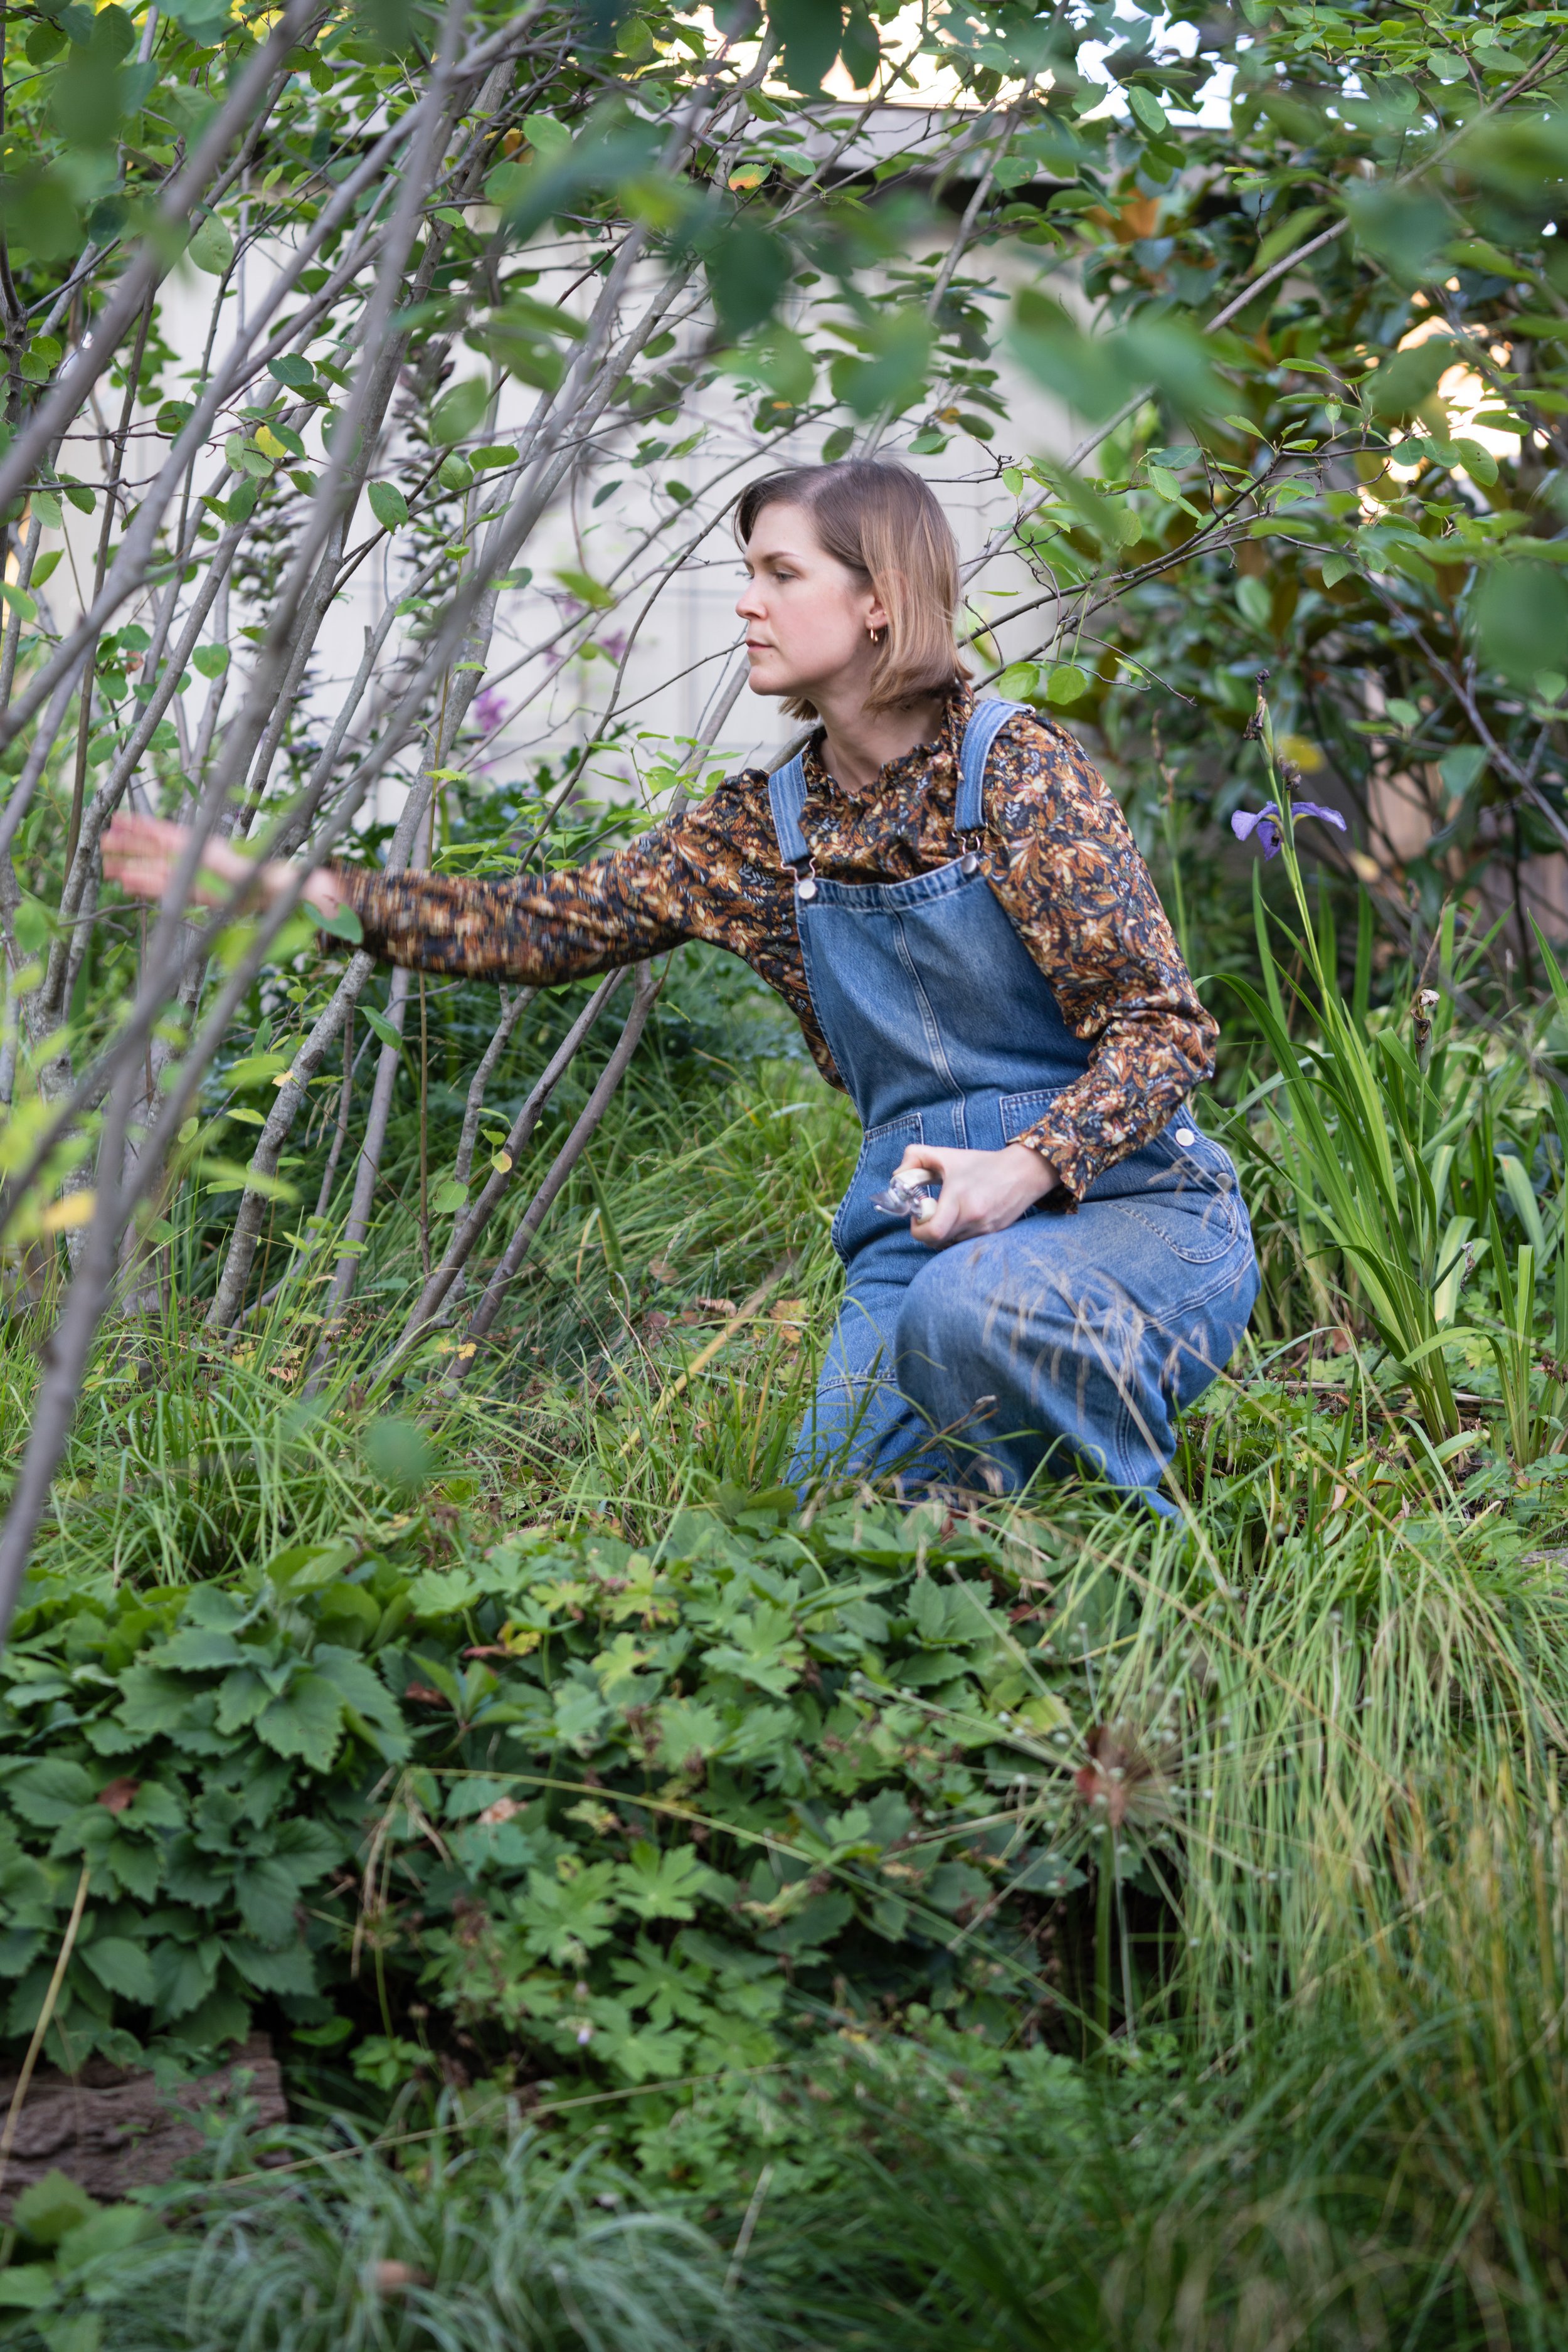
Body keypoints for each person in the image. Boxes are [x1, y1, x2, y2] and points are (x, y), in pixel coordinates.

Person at [105, 458, 1258, 1511]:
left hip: (1133, 1213)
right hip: (922, 1234)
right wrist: (282, 888)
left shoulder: (1016, 771)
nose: (746, 602)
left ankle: (1143, 1572)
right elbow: (540, 926)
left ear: (878, 600)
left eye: (780, 572)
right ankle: (1002, 1582)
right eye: (744, 572)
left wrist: (1022, 1171)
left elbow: (1165, 1029)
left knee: (977, 1315)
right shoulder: (765, 833)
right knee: (829, 1522)